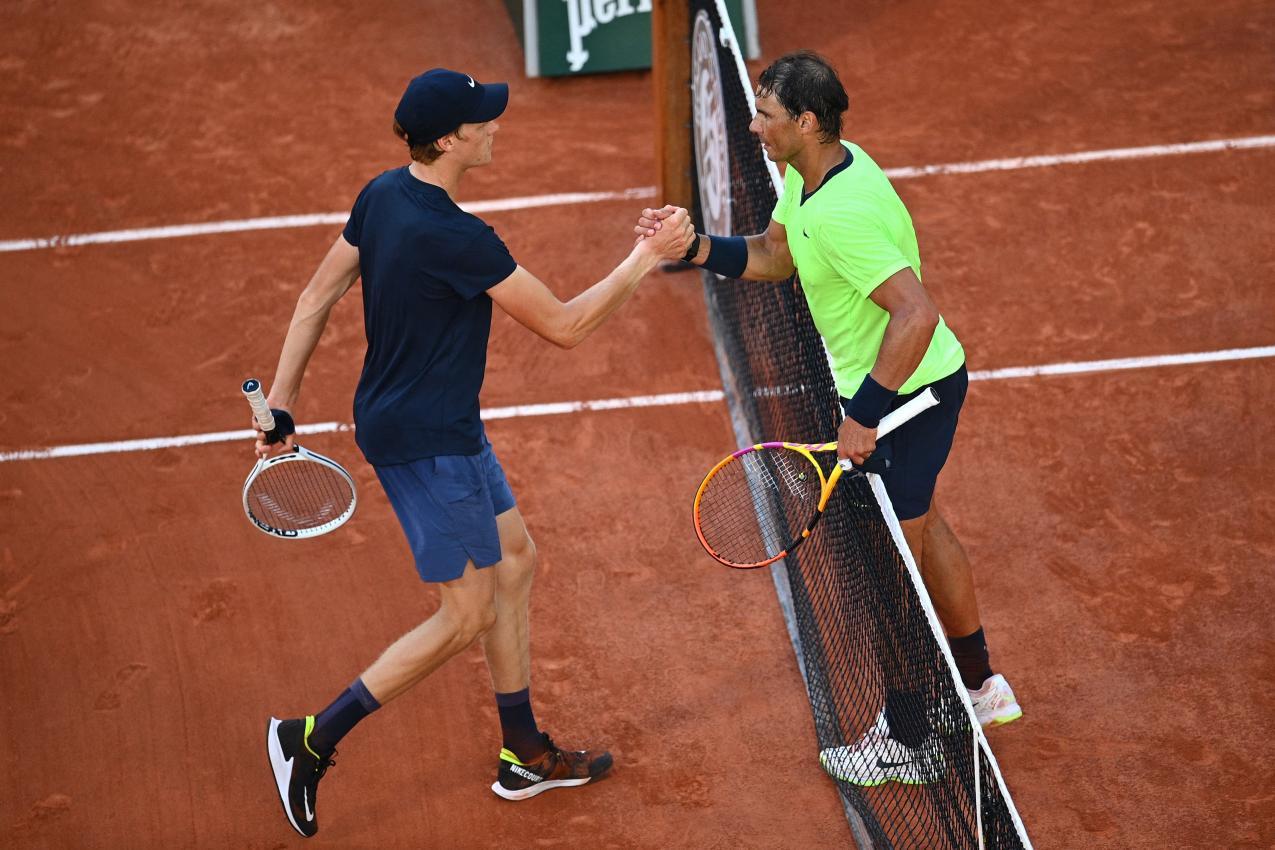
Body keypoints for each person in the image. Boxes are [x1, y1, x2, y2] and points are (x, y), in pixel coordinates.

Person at [257, 67, 694, 838]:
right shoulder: (456, 237)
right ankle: (310, 739)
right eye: (483, 121)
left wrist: (282, 406)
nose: (496, 127)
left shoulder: (382, 194)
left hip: (444, 427)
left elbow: (314, 298)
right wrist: (644, 259)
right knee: (465, 615)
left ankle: (522, 752)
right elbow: (562, 325)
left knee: (516, 562)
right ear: (451, 139)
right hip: (425, 446)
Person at [637, 50, 1020, 787]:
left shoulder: (841, 213)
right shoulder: (813, 170)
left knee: (886, 575)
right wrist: (692, 247)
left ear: (805, 122)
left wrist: (864, 415)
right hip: (923, 383)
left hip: (905, 395)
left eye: (765, 116)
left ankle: (908, 740)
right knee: (924, 530)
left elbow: (915, 313)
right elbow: (777, 255)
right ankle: (977, 687)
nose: (753, 127)